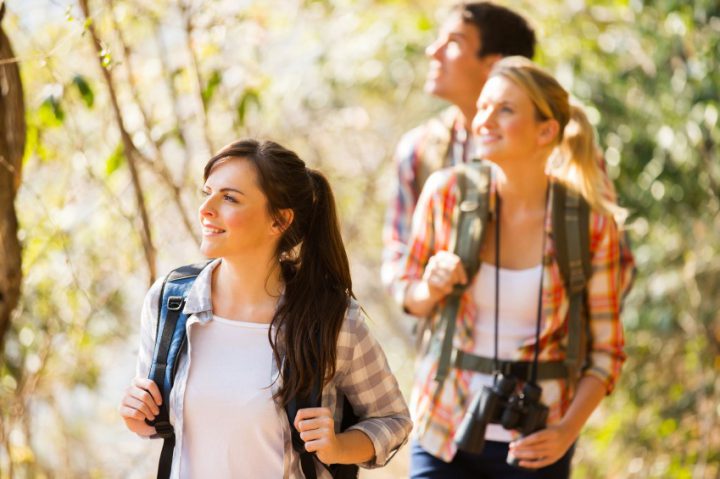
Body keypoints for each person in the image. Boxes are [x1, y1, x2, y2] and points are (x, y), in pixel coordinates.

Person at [119, 139, 412, 478]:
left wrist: (338, 446)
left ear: (279, 221)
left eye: (229, 198)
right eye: (208, 192)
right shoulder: (171, 301)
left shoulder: (330, 320)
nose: (206, 208)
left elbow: (393, 420)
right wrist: (137, 417)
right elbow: (156, 422)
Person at [399, 57, 634, 478]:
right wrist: (430, 286)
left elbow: (607, 351)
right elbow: (410, 297)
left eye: (504, 109)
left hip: (536, 442)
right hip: (443, 426)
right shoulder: (447, 195)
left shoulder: (590, 224)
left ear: (546, 131)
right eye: (483, 106)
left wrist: (566, 431)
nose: (484, 119)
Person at [382, 2, 536, 303]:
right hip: (448, 343)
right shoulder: (419, 150)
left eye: (453, 42)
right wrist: (426, 292)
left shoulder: (557, 141)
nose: (432, 52)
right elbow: (397, 260)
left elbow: (606, 256)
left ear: (493, 65)